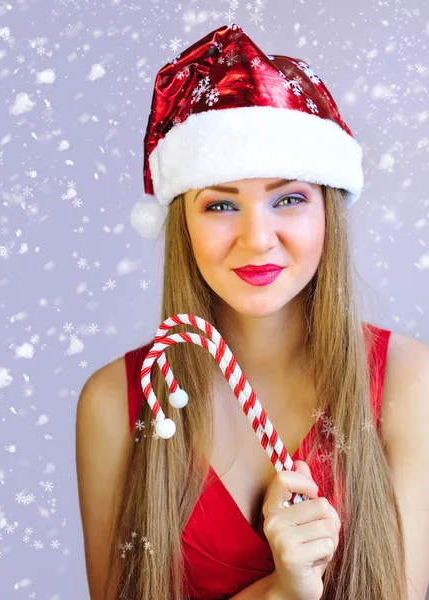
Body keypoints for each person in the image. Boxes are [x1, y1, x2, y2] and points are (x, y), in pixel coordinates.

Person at [76, 23, 429, 600]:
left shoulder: (410, 382)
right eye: (220, 204)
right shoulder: (117, 403)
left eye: (288, 198)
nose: (257, 238)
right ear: (182, 225)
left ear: (327, 213)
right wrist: (280, 592)